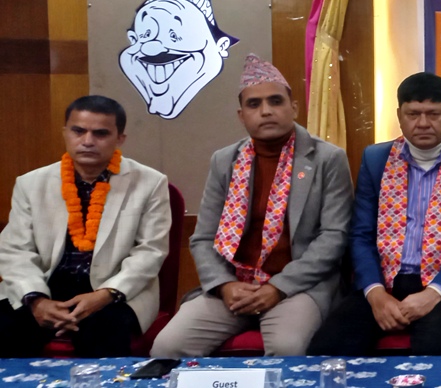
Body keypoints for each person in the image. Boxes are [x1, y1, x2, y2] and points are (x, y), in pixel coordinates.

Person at [152, 55, 352, 357]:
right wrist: (224, 285)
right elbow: (203, 238)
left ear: (294, 108)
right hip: (234, 287)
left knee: (287, 348)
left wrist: (278, 287)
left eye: (275, 101)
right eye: (254, 104)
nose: (266, 111)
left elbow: (334, 237)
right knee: (167, 347)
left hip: (296, 287)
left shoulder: (327, 159)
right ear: (241, 115)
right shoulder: (225, 161)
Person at [307, 72, 441, 356]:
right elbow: (361, 235)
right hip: (383, 280)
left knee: (435, 355)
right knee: (328, 350)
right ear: (399, 115)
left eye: (433, 114)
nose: (423, 123)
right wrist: (375, 294)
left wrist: (433, 294)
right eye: (413, 114)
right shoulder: (376, 159)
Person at [0, 96, 171, 357]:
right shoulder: (31, 183)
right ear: (65, 133)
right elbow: (15, 250)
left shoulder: (150, 183)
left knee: (104, 331)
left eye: (100, 133)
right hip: (45, 285)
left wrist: (104, 295)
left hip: (114, 289)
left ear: (120, 138)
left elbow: (150, 252)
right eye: (78, 131)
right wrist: (37, 300)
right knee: (7, 328)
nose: (88, 141)